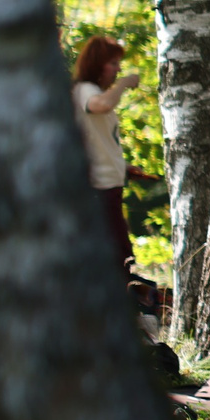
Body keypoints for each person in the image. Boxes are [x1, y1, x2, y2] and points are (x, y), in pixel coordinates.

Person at [71, 36, 145, 273]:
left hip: (109, 187)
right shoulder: (84, 90)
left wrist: (124, 168)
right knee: (119, 256)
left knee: (119, 253)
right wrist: (123, 84)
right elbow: (101, 105)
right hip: (96, 190)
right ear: (97, 65)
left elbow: (98, 142)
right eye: (113, 63)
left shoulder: (91, 92)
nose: (118, 69)